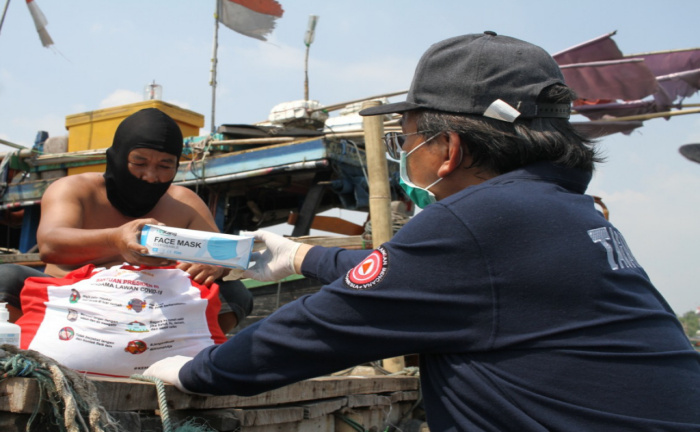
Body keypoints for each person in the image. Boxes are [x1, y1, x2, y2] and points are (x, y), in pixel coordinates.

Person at [145, 32, 700, 431]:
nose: (402, 150)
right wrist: (300, 257)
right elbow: (415, 276)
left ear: (449, 149)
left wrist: (197, 371)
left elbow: (316, 330)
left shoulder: (477, 221)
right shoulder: (564, 213)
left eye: (404, 136)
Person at [0, 108, 252, 333]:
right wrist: (115, 240)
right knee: (6, 277)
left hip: (156, 309)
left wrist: (215, 267)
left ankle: (184, 358)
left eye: (165, 165)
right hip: (71, 298)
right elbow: (51, 245)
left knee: (234, 295)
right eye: (139, 162)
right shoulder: (74, 188)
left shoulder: (185, 203)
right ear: (117, 157)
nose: (151, 176)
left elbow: (224, 255)